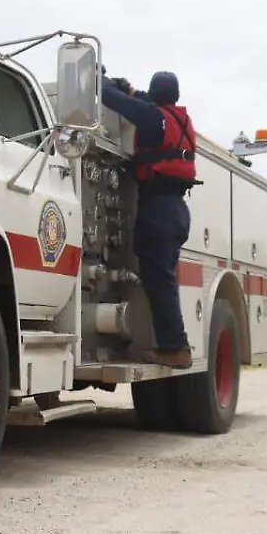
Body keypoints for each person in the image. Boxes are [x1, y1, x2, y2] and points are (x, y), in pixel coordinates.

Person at [101, 70, 199, 370]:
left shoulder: (150, 117)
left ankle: (175, 348)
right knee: (163, 282)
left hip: (159, 209)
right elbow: (141, 101)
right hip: (177, 210)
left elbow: (109, 98)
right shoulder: (178, 119)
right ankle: (173, 344)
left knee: (159, 282)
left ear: (154, 93)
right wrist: (130, 89)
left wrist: (98, 77)